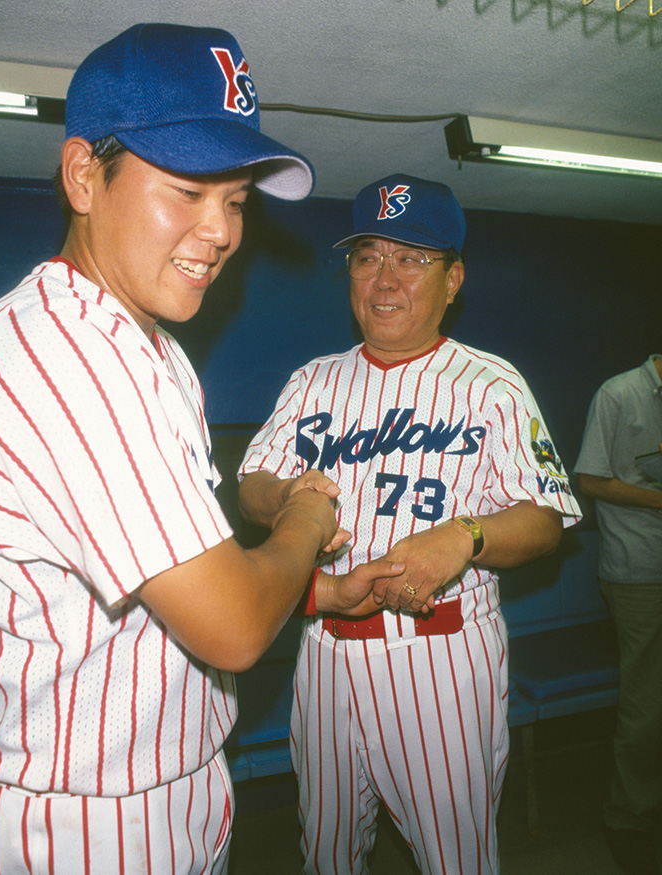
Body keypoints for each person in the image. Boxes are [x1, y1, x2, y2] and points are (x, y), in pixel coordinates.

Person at [0, 24, 402, 875]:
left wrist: (317, 591)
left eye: (235, 201)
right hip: (78, 828)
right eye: (187, 189)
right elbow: (229, 625)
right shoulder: (64, 352)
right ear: (85, 175)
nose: (221, 230)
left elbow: (165, 589)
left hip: (160, 794)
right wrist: (304, 521)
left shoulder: (146, 348)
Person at [237, 173, 582, 875]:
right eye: (368, 257)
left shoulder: (492, 384)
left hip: (441, 656)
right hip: (325, 650)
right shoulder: (313, 381)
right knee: (325, 851)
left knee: (455, 859)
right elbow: (252, 483)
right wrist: (289, 502)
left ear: (453, 280)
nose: (384, 278)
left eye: (411, 258)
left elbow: (545, 520)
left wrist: (466, 535)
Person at [574, 356, 662, 875]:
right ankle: (630, 817)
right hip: (639, 570)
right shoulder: (620, 393)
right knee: (648, 705)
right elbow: (591, 480)